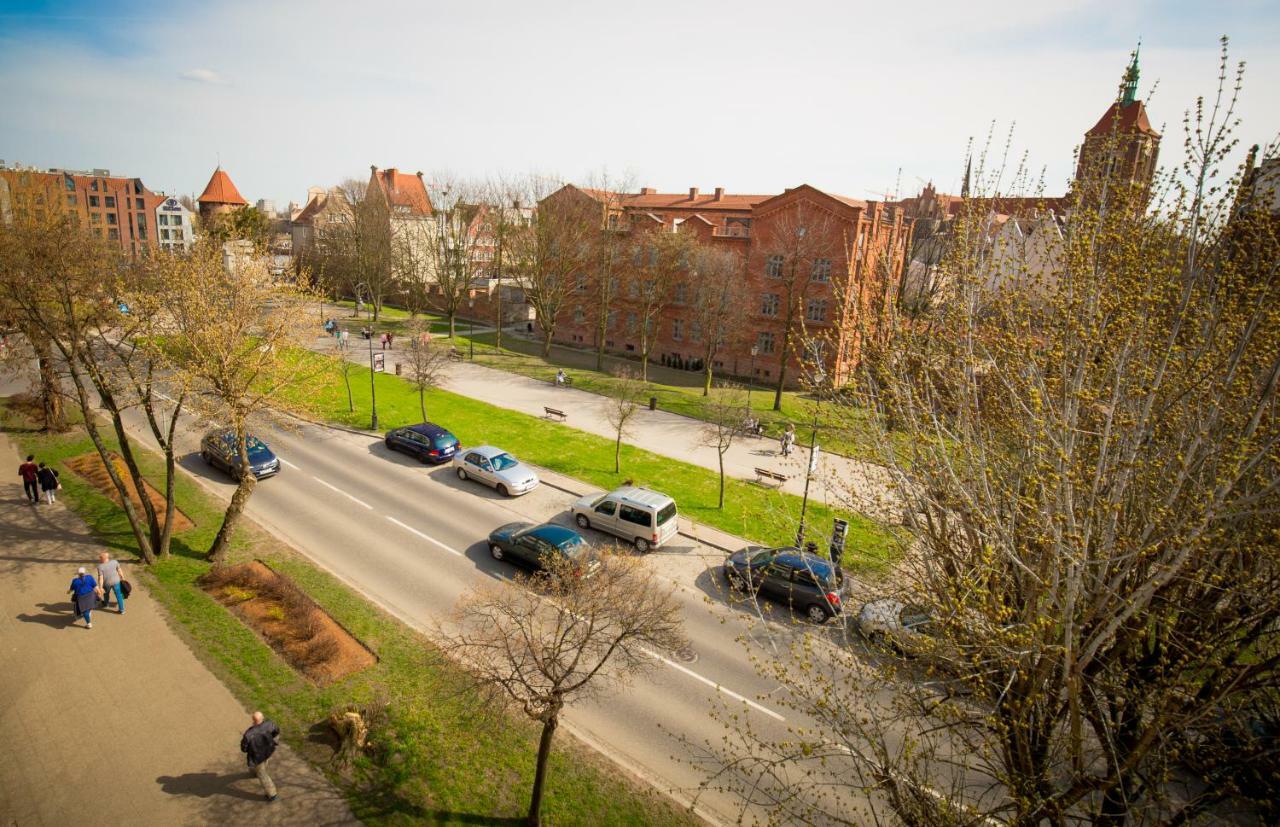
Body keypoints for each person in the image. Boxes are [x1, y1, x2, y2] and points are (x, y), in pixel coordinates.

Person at [240, 711, 281, 802]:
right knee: (264, 763)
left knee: (262, 774)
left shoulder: (249, 734)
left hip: (257, 757)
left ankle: (272, 794)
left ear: (253, 720)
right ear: (262, 718)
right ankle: (255, 772)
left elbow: (244, 748)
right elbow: (276, 731)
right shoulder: (270, 724)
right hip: (268, 751)